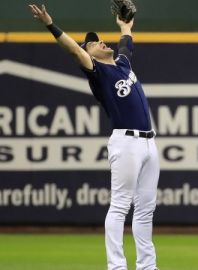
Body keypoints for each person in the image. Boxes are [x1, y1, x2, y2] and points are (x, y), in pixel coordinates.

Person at [29, 4, 160, 270]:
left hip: (149, 142)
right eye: (93, 43)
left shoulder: (122, 64)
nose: (99, 41)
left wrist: (125, 26)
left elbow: (126, 41)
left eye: (98, 39)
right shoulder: (97, 72)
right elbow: (75, 49)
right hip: (126, 141)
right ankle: (116, 266)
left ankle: (147, 266)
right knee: (120, 206)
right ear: (89, 54)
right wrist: (49, 24)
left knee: (146, 209)